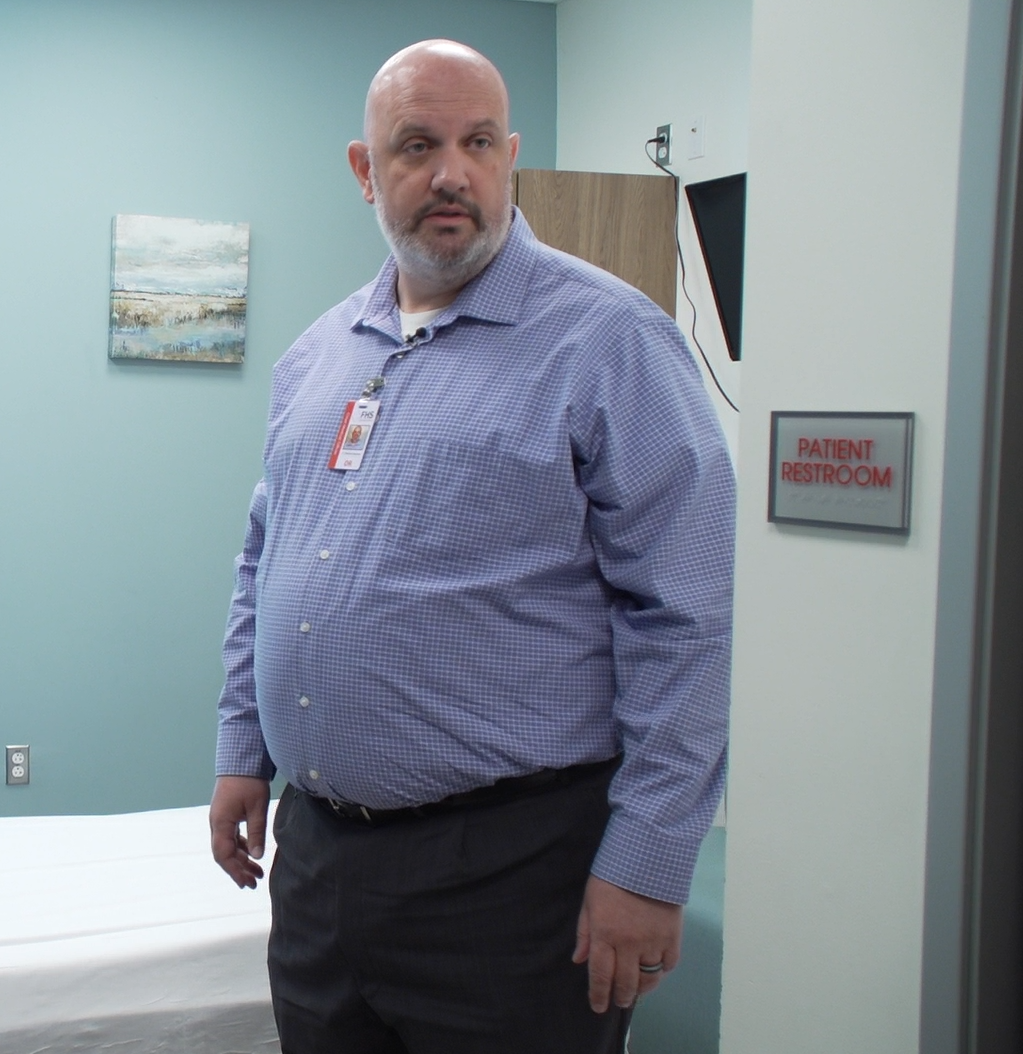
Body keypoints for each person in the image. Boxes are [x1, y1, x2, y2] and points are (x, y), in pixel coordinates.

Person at [207, 38, 735, 1054]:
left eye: (477, 142)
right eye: (416, 144)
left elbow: (688, 621)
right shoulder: (317, 358)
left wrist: (648, 862)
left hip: (514, 876)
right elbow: (263, 564)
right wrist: (245, 751)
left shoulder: (607, 342)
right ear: (365, 171)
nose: (451, 172)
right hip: (320, 865)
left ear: (509, 157)